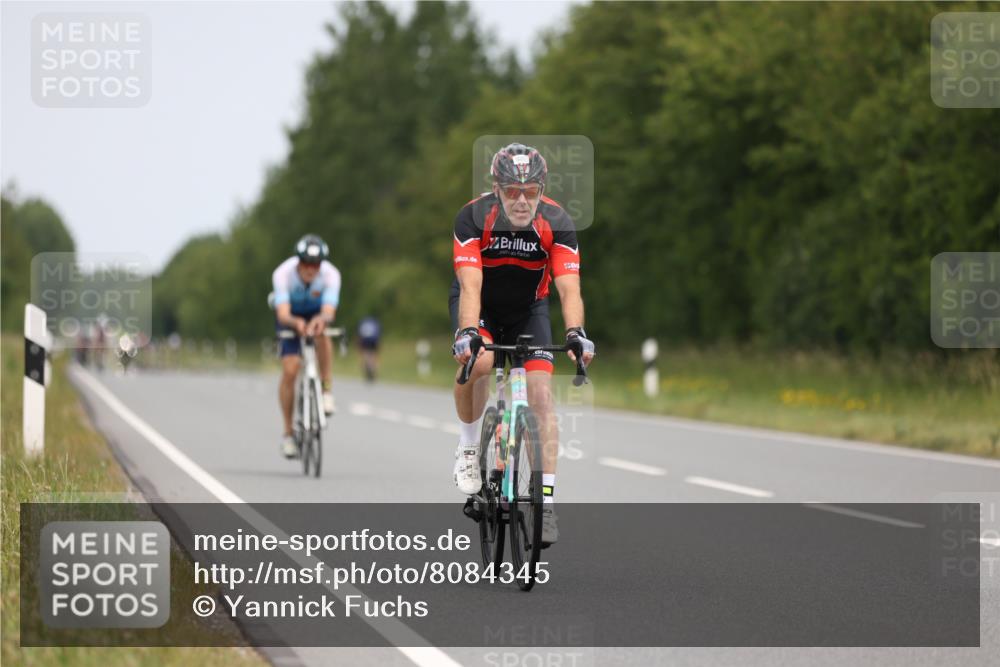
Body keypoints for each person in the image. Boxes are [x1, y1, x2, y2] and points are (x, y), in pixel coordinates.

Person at [450, 142, 595, 546]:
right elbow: (470, 284)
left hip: (528, 310)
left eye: (529, 191)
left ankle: (545, 504)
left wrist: (575, 333)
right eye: (512, 191)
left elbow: (569, 289)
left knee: (542, 397)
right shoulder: (472, 218)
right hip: (480, 307)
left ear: (541, 189)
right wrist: (468, 333)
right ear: (495, 188)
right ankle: (466, 447)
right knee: (478, 364)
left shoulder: (558, 221)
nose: (520, 200)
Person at [272, 234, 341, 459]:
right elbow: (282, 313)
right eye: (305, 263)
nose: (311, 269)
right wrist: (297, 323)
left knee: (323, 335)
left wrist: (320, 320)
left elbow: (329, 311)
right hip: (291, 316)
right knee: (290, 369)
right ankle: (288, 434)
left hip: (316, 313)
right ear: (298, 261)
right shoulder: (283, 274)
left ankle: (326, 389)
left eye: (316, 264)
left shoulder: (331, 274)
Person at [357, 315, 382, 382]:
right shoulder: (375, 322)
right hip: (374, 340)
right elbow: (378, 334)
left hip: (364, 340)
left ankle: (365, 370)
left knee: (364, 354)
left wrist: (359, 345)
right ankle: (375, 372)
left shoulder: (363, 322)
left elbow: (359, 334)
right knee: (374, 355)